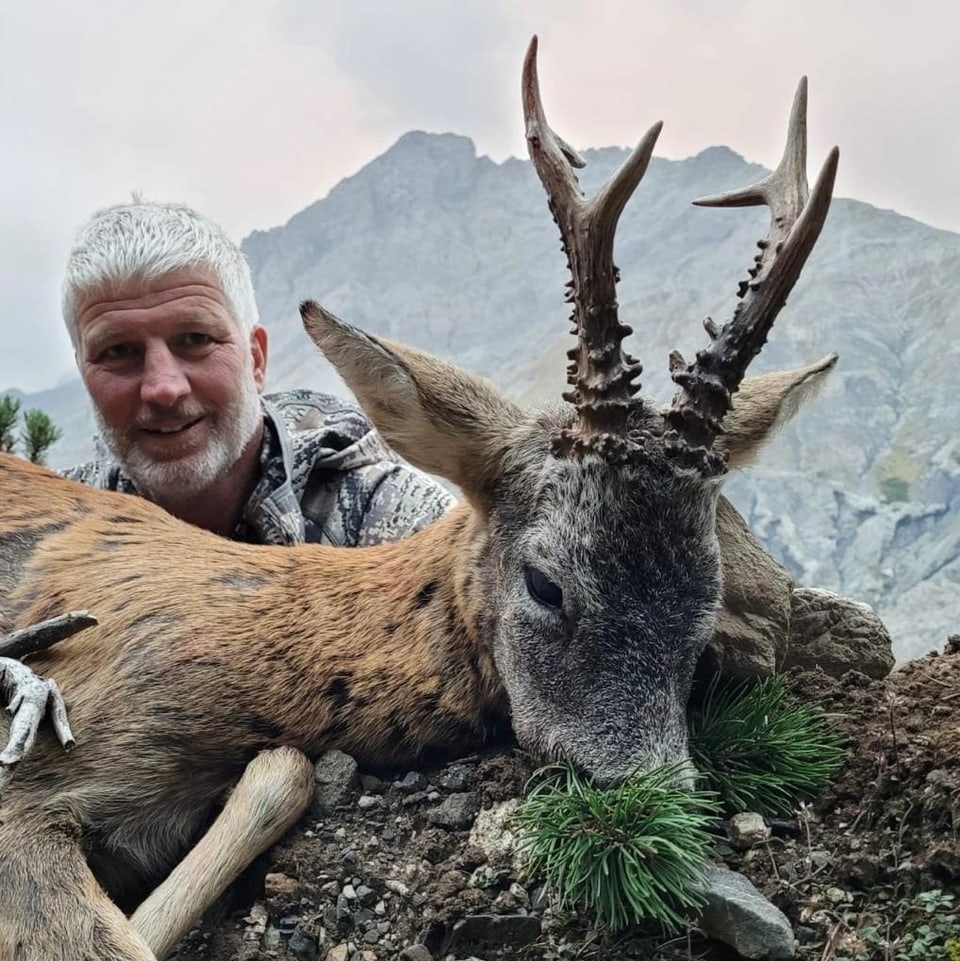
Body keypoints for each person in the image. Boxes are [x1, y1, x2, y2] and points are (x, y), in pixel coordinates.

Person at [1, 199, 456, 776]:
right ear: (85, 374)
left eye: (195, 340)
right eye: (118, 352)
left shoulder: (392, 518)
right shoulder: (47, 543)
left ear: (256, 358)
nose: (162, 388)